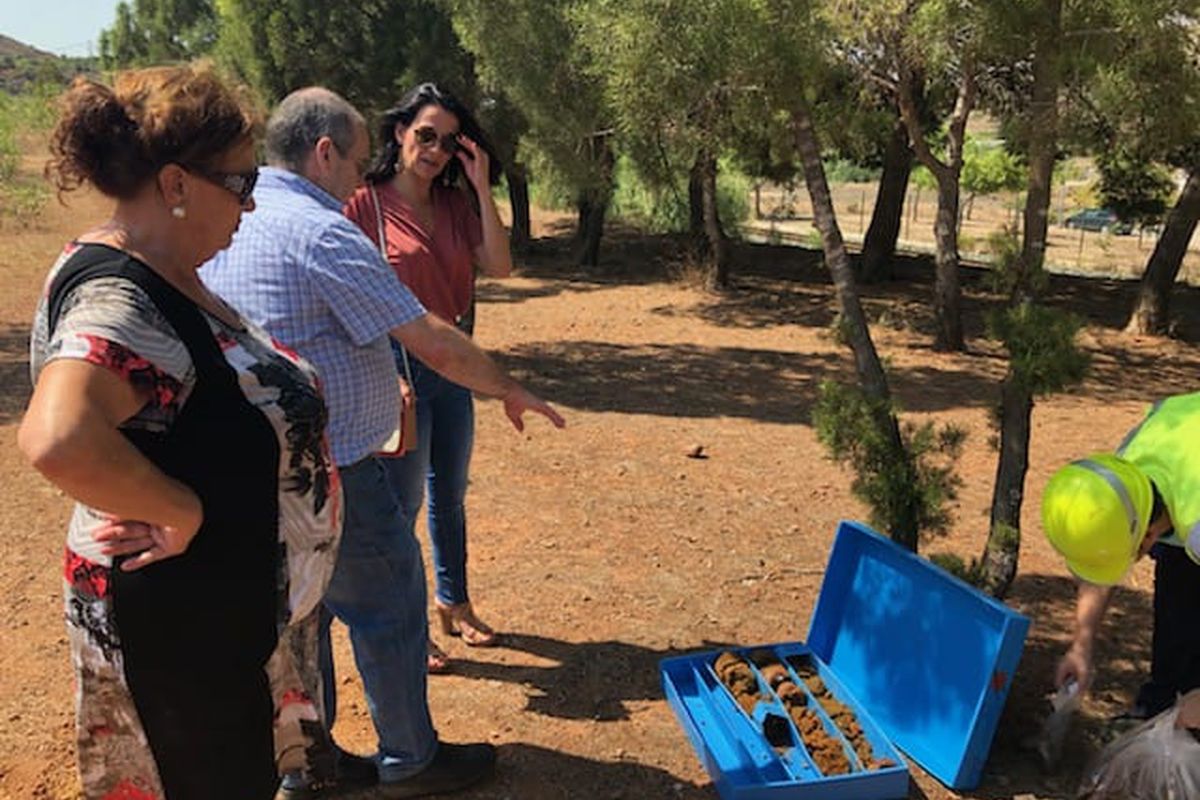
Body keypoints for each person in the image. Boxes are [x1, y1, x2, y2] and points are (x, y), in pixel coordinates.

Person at [201, 87, 565, 800]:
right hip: (328, 463)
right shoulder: (324, 228)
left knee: (303, 616)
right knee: (392, 598)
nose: (359, 174)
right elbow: (428, 337)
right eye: (358, 158)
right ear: (326, 152)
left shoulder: (236, 218)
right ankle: (410, 760)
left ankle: (310, 763)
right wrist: (509, 388)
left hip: (257, 463)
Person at [19, 65, 341, 800]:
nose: (251, 202)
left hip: (221, 615)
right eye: (240, 181)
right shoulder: (119, 294)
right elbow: (57, 435)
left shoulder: (165, 270)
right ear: (175, 184)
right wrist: (180, 509)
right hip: (183, 633)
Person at [344, 83, 508, 673]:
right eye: (425, 135)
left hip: (452, 364)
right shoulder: (365, 205)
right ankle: (411, 625)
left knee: (451, 494)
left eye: (448, 141)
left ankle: (453, 602)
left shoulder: (457, 207)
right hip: (397, 370)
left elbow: (500, 266)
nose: (434, 149)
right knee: (404, 502)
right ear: (399, 134)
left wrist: (481, 184)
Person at [1043, 391, 1200, 723]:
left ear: (1145, 538)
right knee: (1179, 593)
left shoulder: (1195, 519)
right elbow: (1100, 571)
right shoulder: (1121, 474)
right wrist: (1081, 646)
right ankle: (1163, 700)